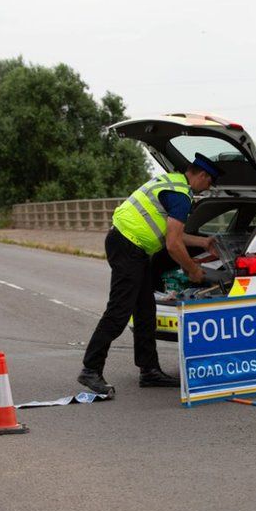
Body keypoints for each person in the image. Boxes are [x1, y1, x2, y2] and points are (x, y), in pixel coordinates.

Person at [76, 153, 221, 398]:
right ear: (202, 175)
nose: (208, 189)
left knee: (145, 310)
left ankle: (149, 370)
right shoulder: (181, 196)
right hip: (128, 247)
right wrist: (193, 270)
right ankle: (91, 369)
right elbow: (173, 244)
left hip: (131, 247)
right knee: (119, 311)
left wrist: (203, 241)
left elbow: (171, 232)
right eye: (209, 183)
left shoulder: (172, 182)